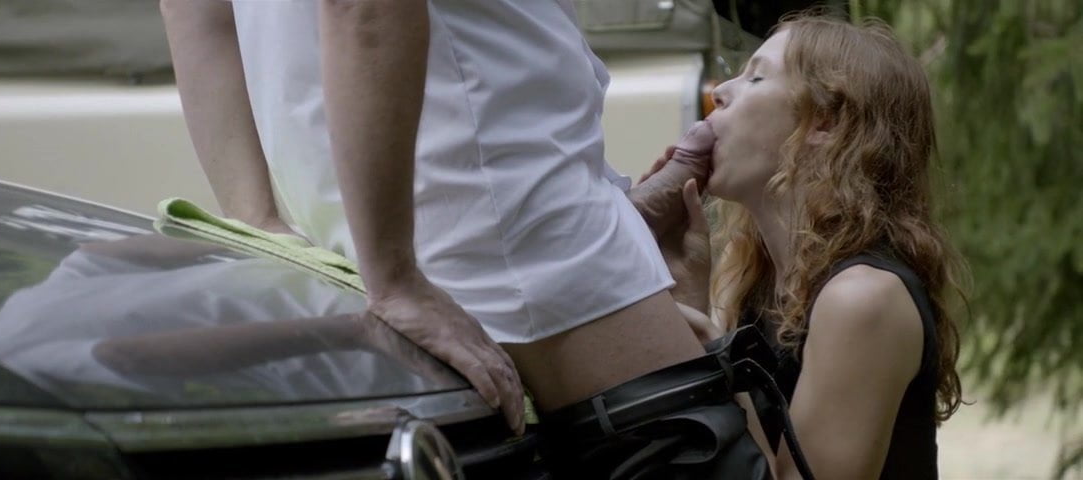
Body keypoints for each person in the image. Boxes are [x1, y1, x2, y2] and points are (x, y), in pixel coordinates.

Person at [158, 0, 719, 443]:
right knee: (717, 451)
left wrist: (258, 218)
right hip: (515, 238)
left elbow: (194, 10)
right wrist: (396, 280)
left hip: (354, 241)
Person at [662, 12, 967, 480]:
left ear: (823, 122)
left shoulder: (863, 298)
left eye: (756, 77)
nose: (720, 91)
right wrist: (688, 291)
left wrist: (711, 361)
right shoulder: (750, 280)